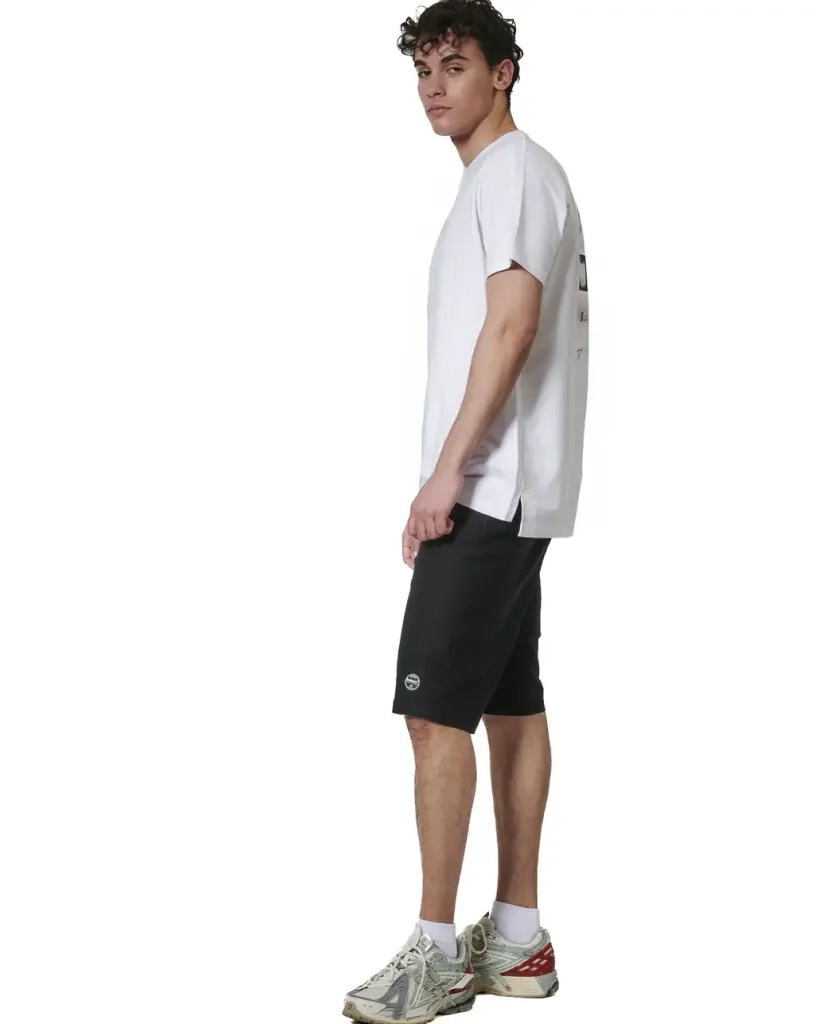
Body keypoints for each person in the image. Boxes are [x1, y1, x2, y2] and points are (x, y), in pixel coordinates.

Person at [343, 2, 588, 1021]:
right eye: (423, 69)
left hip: (489, 489)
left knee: (432, 713)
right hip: (516, 491)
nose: (434, 86)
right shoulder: (498, 180)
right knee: (509, 703)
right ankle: (519, 937)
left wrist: (446, 475)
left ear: (504, 72)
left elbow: (513, 325)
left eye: (455, 65)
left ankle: (437, 951)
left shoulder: (513, 172)